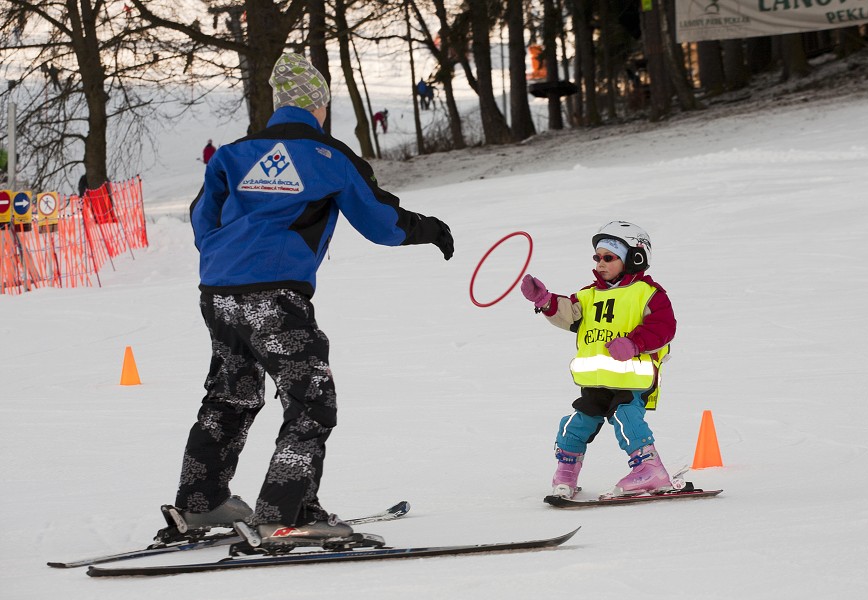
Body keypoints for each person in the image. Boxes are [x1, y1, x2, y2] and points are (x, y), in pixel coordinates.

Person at [169, 53, 454, 549]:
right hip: (274, 295)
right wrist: (429, 229)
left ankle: (202, 501)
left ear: (280, 103)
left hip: (217, 293)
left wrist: (225, 256)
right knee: (311, 399)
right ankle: (286, 513)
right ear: (319, 104)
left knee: (231, 393)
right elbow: (382, 223)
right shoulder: (328, 156)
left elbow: (201, 217)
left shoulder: (234, 153)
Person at [520, 221, 676, 499]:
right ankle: (566, 474)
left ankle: (650, 470)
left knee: (626, 418)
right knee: (575, 425)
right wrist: (544, 300)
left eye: (609, 257)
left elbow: (664, 327)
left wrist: (634, 343)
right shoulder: (588, 295)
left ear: (634, 257)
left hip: (632, 379)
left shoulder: (648, 293)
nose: (600, 263)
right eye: (597, 257)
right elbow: (568, 313)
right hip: (596, 382)